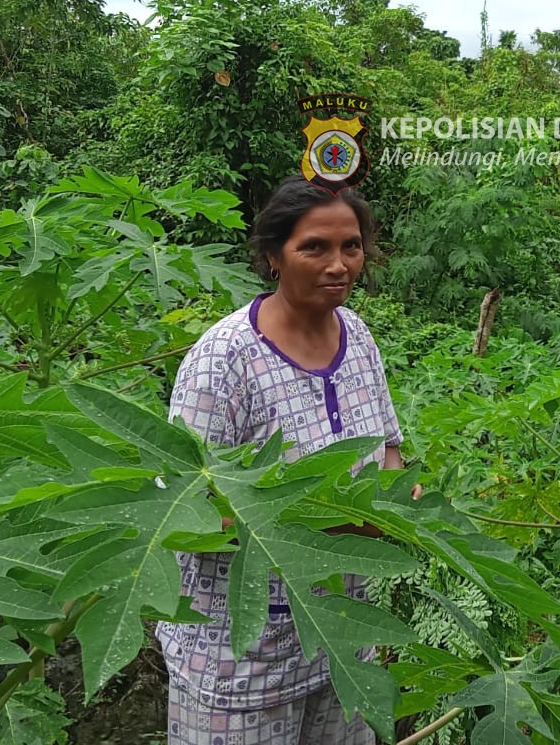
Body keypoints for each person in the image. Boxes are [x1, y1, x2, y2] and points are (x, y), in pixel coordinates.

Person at [158, 176, 403, 745]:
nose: (338, 264)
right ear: (273, 257)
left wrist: (394, 497)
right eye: (313, 247)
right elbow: (185, 515)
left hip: (341, 644)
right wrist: (334, 518)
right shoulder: (223, 361)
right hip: (240, 662)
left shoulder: (359, 338)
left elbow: (389, 446)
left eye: (351, 246)